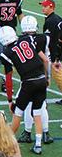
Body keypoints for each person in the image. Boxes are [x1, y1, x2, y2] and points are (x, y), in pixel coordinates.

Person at [0, 25, 49, 155]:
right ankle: (38, 144)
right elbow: (42, 58)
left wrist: (9, 99)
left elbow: (8, 78)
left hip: (28, 82)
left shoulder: (6, 53)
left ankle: (8, 144)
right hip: (41, 79)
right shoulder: (27, 39)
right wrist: (46, 77)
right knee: (37, 113)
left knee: (18, 113)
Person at [16, 16, 53, 145]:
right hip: (41, 76)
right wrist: (47, 76)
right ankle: (46, 133)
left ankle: (27, 132)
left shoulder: (20, 40)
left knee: (28, 105)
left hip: (29, 78)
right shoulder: (44, 38)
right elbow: (47, 59)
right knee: (41, 105)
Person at [40, 0, 62, 106]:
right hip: (59, 51)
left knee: (58, 76)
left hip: (56, 54)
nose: (43, 8)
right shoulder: (57, 18)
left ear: (51, 7)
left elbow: (50, 41)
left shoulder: (50, 21)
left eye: (45, 6)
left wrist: (55, 57)